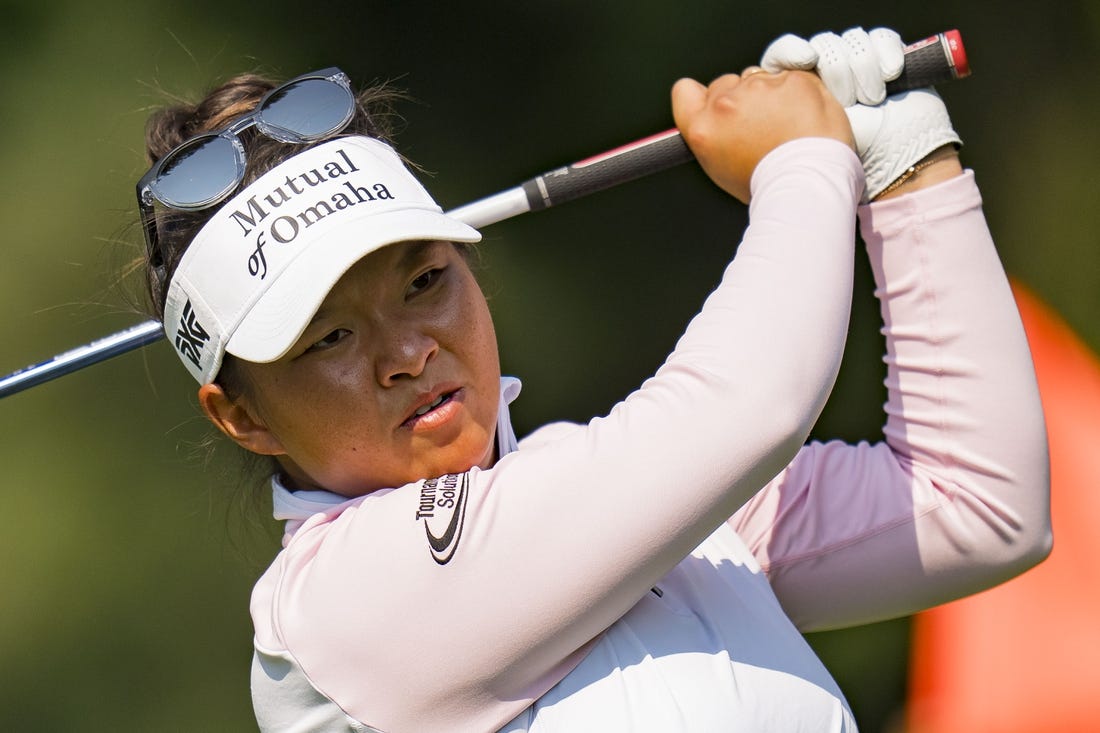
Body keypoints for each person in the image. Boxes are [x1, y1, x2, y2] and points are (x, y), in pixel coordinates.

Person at [134, 26, 1050, 732]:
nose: (407, 350)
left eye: (425, 281)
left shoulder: (651, 503)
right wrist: (804, 164)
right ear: (241, 416)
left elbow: (978, 506)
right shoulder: (330, 614)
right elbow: (750, 404)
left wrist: (904, 169)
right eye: (329, 335)